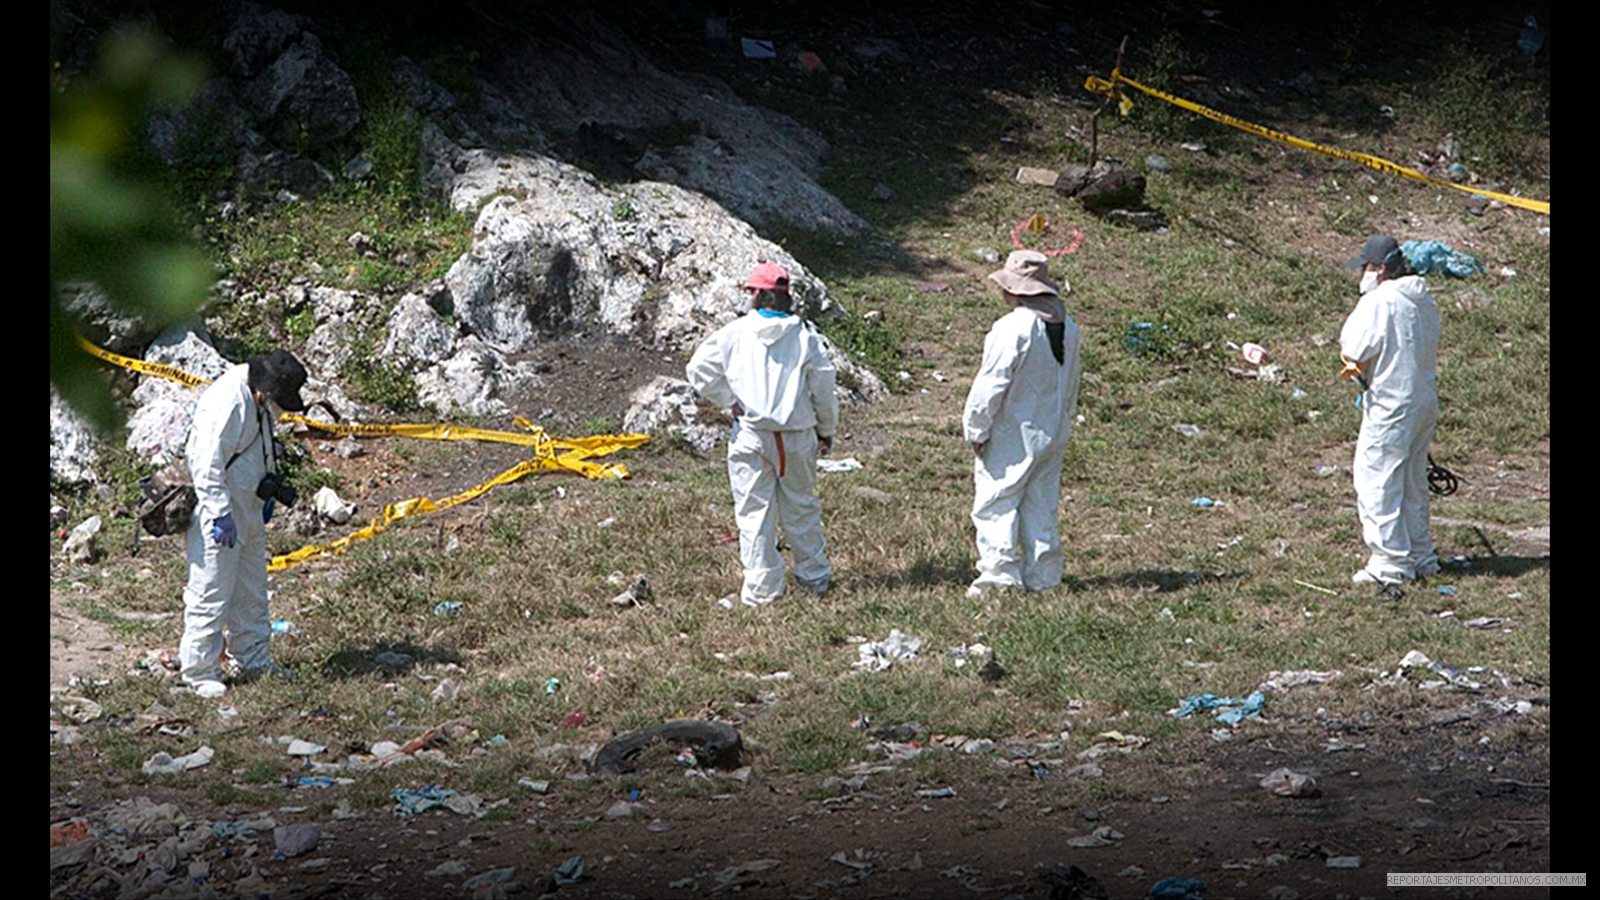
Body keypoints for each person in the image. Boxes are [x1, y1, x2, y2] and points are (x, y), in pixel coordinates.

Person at [687, 262, 838, 606]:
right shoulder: (805, 336)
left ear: (757, 294)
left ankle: (761, 591)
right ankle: (814, 578)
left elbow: (699, 370)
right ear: (785, 296)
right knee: (801, 507)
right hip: (797, 435)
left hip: (751, 435)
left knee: (754, 513)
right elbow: (824, 388)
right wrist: (826, 430)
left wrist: (729, 401)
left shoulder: (734, 333)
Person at [179, 349, 308, 698]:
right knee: (210, 592)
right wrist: (221, 514)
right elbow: (205, 463)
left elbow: (259, 450)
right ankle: (199, 672)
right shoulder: (229, 402)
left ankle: (252, 661)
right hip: (218, 513)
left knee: (251, 592)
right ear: (267, 389)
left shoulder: (258, 400)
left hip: (248, 508)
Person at [964, 250, 1082, 599]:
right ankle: (1044, 576)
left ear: (1015, 290)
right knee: (1041, 503)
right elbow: (1073, 382)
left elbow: (991, 384)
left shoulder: (1013, 327)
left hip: (1014, 431)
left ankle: (999, 578)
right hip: (1053, 429)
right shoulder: (1068, 326)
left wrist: (976, 428)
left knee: (997, 502)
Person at [1339, 235, 1441, 586]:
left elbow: (1354, 346)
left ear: (1380, 270)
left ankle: (1390, 564)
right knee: (1412, 480)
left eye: (1366, 268)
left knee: (1376, 480)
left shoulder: (1379, 301)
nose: (1363, 276)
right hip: (1423, 400)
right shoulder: (1423, 300)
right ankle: (1421, 555)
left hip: (1391, 405)